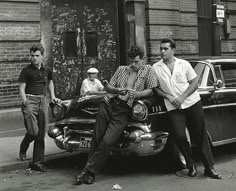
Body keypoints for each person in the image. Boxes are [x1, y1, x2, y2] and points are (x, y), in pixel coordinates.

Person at [75, 45, 158, 185]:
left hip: (124, 110)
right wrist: (115, 89)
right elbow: (108, 88)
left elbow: (151, 91)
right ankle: (90, 174)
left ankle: (86, 172)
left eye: (136, 62)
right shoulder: (122, 69)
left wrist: (138, 94)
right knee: (97, 136)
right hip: (109, 104)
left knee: (107, 141)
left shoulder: (148, 70)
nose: (133, 64)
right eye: (131, 61)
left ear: (142, 60)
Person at [152, 38, 221, 179]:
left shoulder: (184, 64)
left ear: (173, 50)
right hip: (173, 106)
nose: (162, 51)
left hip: (191, 103)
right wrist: (168, 96)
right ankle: (191, 165)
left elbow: (194, 83)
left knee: (200, 135)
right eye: (161, 49)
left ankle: (209, 168)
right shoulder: (156, 68)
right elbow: (156, 89)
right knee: (179, 135)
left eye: (165, 49)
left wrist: (182, 97)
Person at [18, 44, 60, 172]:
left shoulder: (46, 70)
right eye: (32, 55)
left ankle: (38, 162)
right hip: (30, 101)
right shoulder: (26, 71)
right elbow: (21, 88)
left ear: (42, 56)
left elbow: (50, 82)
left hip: (43, 101)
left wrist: (53, 96)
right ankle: (23, 147)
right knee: (33, 132)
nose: (34, 58)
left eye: (37, 55)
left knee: (41, 134)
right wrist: (25, 102)